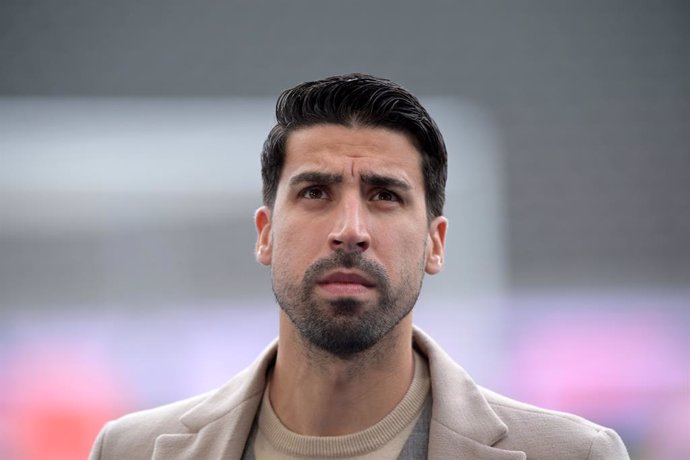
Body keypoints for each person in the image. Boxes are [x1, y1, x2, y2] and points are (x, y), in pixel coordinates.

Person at [89, 73, 629, 459]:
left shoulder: (573, 455)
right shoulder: (127, 451)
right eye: (316, 192)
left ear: (435, 244)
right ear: (265, 234)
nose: (350, 229)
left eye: (385, 195)